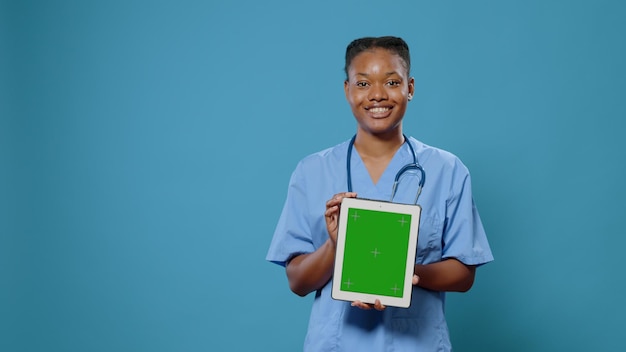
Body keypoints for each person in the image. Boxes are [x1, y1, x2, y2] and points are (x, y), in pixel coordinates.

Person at [266, 36, 493, 351]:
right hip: (337, 343)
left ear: (409, 88)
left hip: (417, 343)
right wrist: (335, 245)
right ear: (347, 90)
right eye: (362, 83)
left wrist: (398, 275)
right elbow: (297, 282)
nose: (376, 95)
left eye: (391, 82)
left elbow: (464, 275)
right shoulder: (311, 171)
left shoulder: (447, 169)